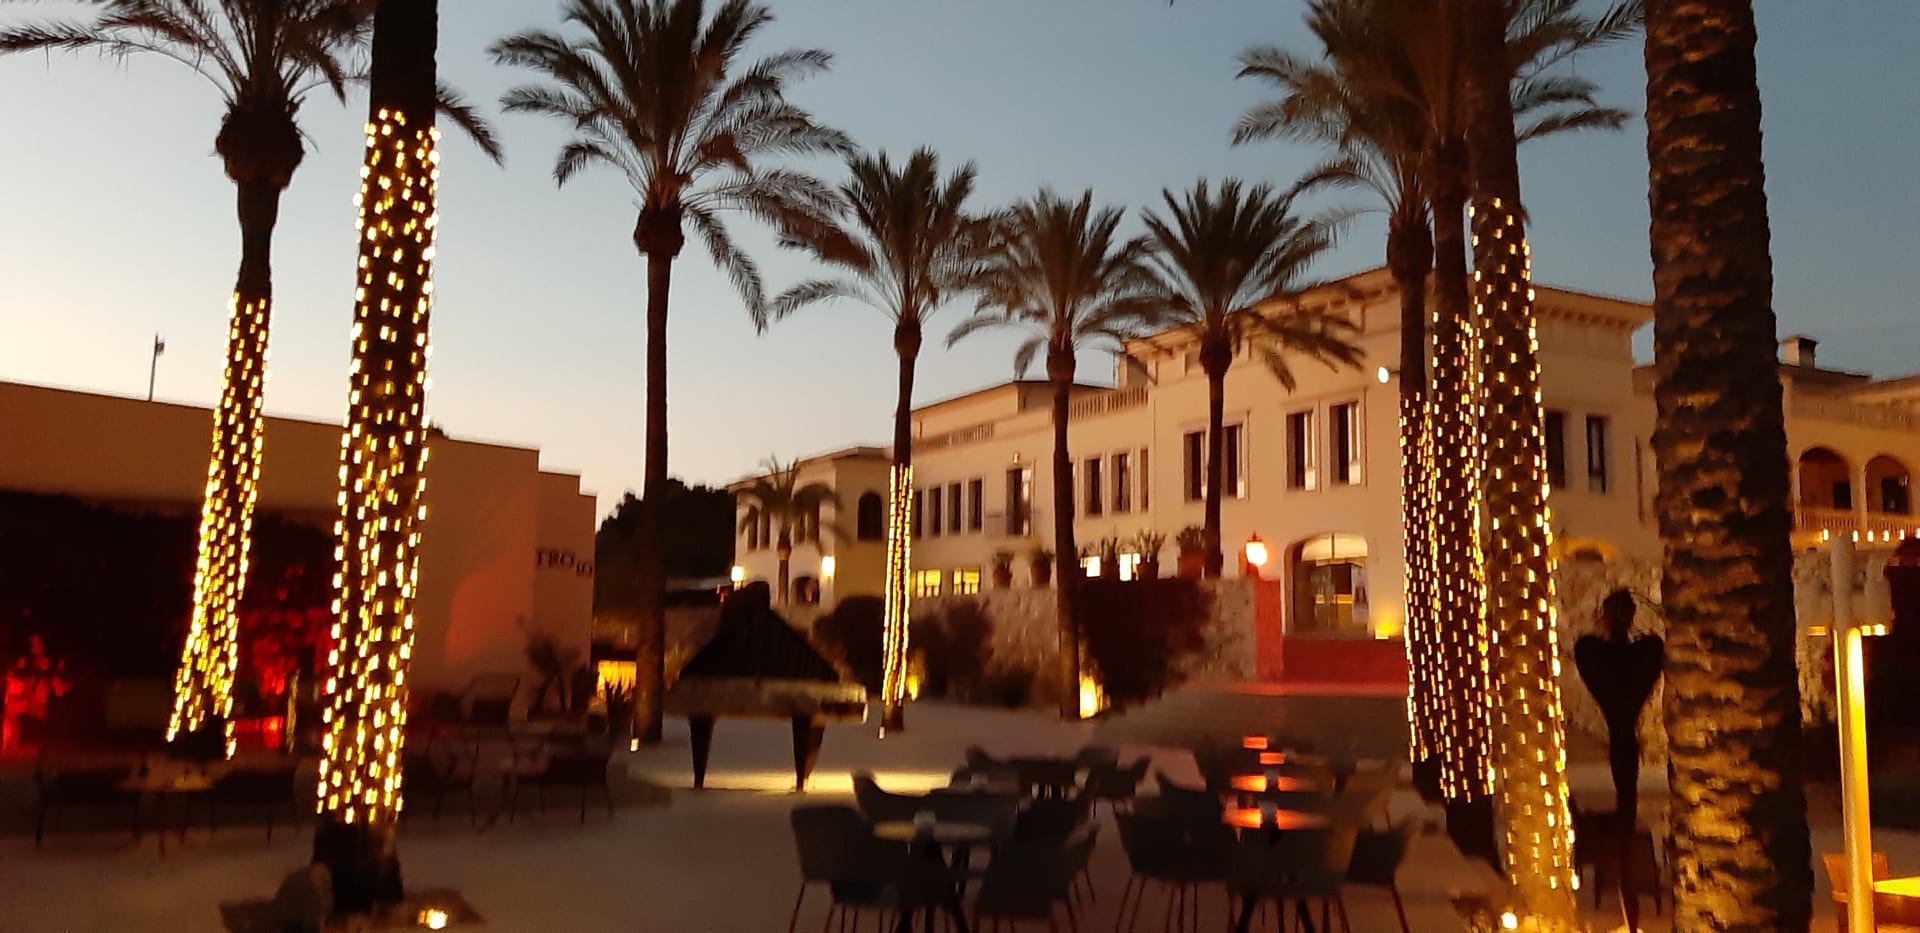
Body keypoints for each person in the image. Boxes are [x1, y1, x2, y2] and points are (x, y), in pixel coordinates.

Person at [1573, 588, 1664, 929]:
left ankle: (1630, 908)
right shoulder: (1610, 655)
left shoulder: (1624, 655)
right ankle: (1630, 909)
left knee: (1627, 807)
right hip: (1623, 737)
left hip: (1622, 736)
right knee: (1626, 806)